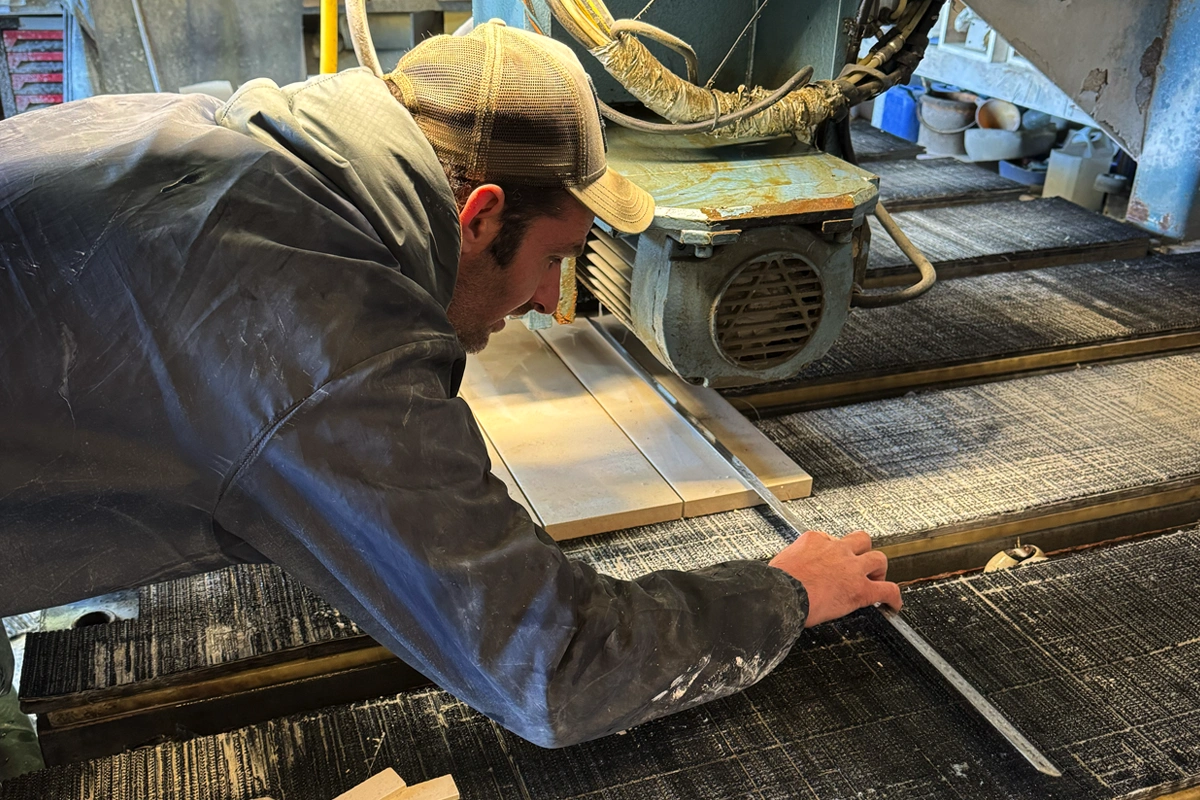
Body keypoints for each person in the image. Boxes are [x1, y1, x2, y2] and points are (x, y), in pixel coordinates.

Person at [0, 21, 900, 748]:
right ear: (480, 215)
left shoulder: (226, 132)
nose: (551, 302)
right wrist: (782, 594)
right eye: (554, 259)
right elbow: (556, 668)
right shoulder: (318, 324)